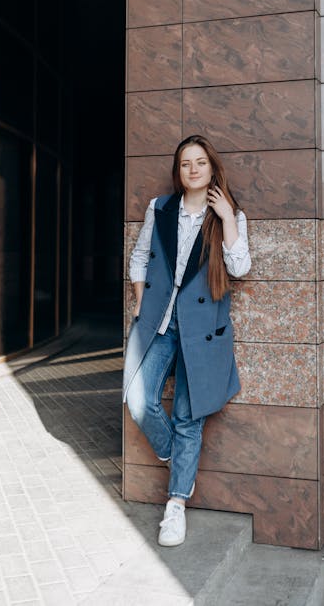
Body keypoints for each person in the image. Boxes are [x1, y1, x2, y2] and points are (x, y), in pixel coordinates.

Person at [123, 134, 251, 547]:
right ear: (178, 172)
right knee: (138, 399)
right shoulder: (160, 209)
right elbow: (140, 256)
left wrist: (228, 218)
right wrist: (141, 300)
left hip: (203, 330)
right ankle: (176, 453)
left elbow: (241, 267)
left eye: (200, 163)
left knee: (188, 418)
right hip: (158, 322)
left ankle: (175, 506)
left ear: (212, 167)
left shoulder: (228, 216)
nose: (193, 170)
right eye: (185, 164)